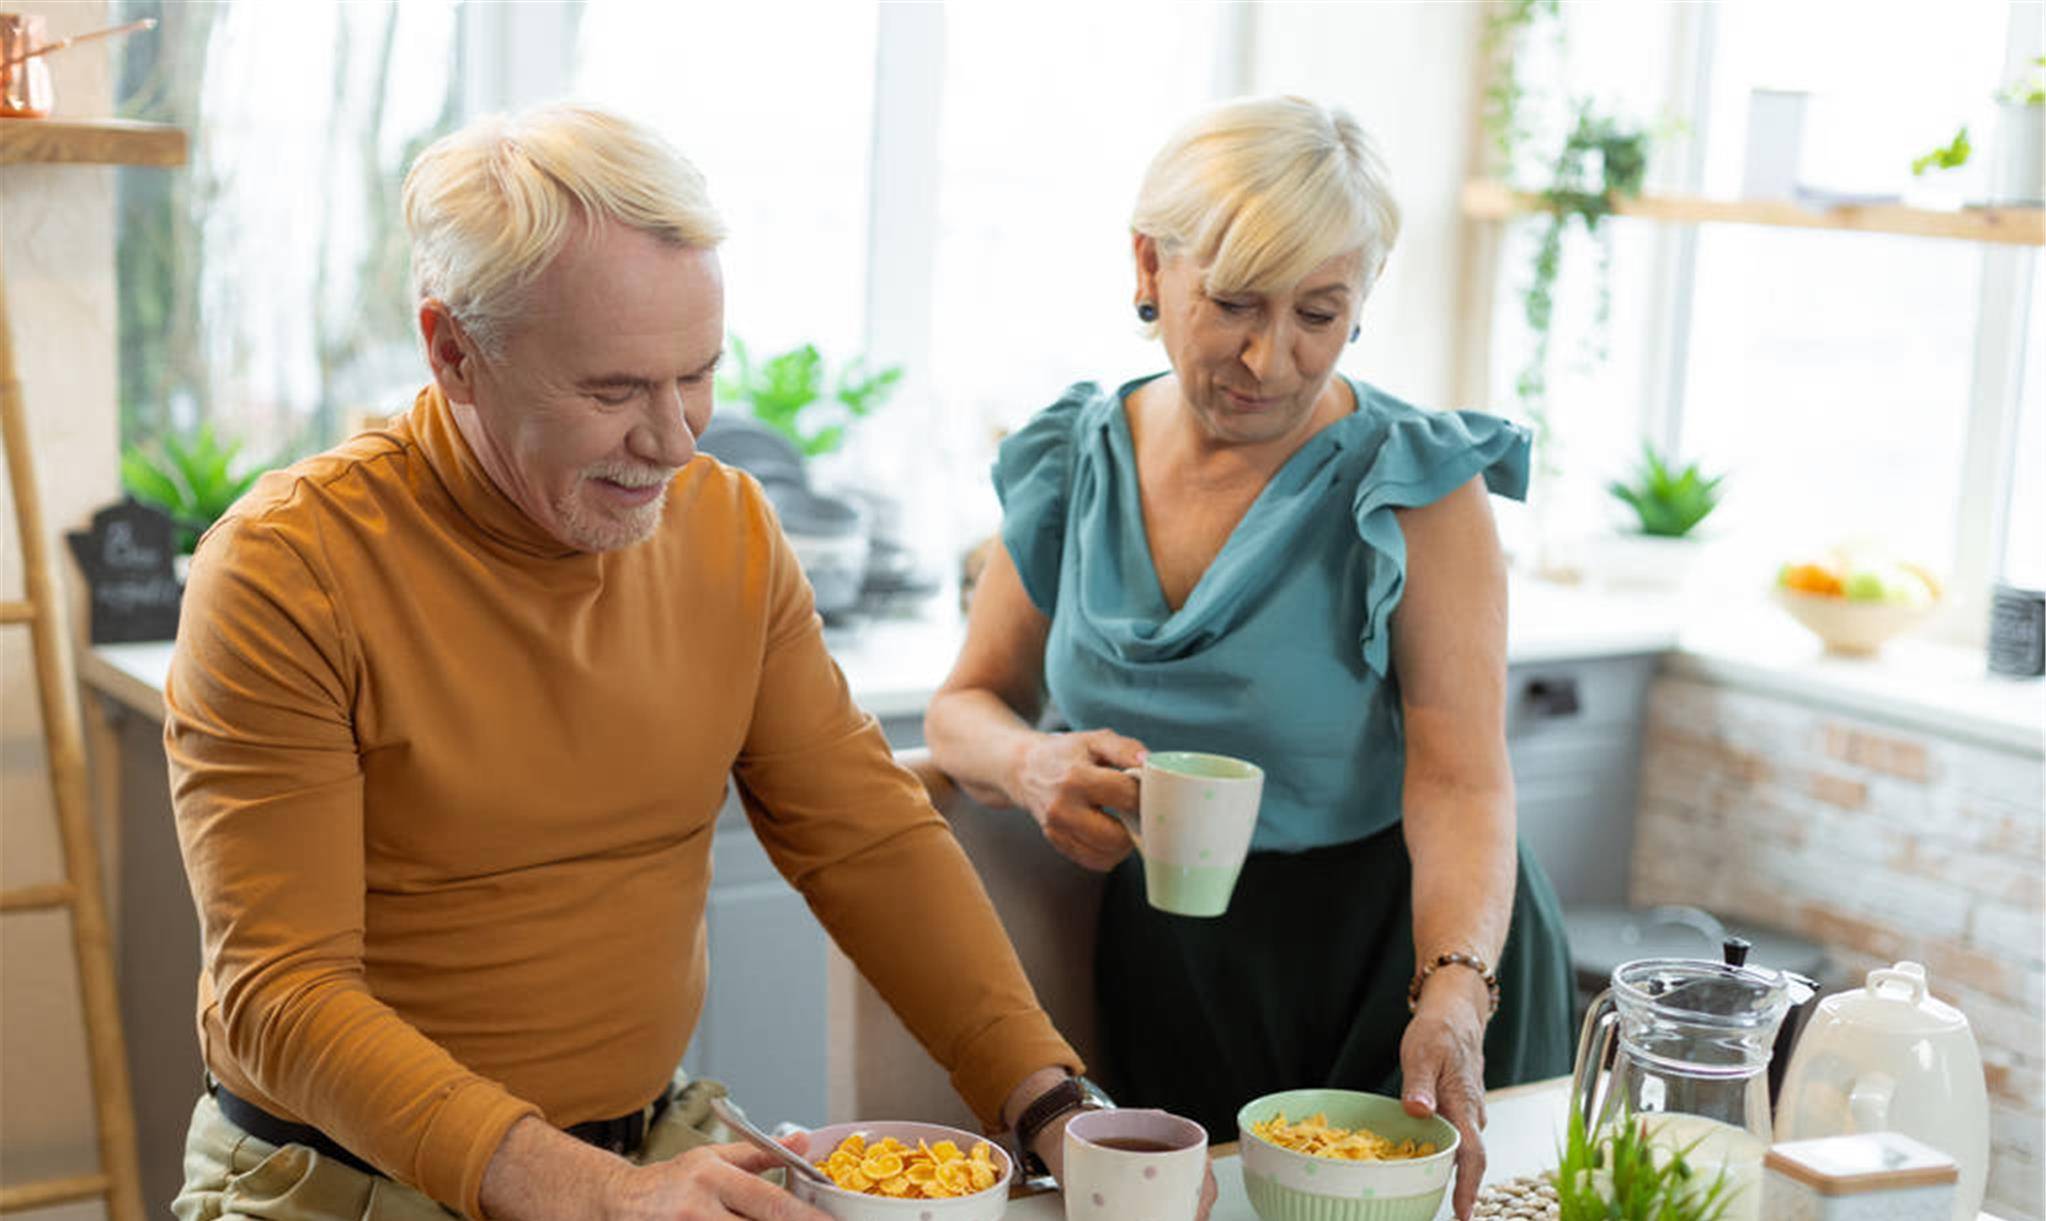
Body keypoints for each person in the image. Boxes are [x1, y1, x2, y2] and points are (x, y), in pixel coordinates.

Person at [163, 103, 1160, 1221]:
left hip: (637, 1154)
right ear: (455, 352)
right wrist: (590, 1193)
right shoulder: (287, 570)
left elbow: (866, 838)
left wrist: (1047, 1102)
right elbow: (277, 997)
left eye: (697, 374)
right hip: (343, 1179)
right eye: (613, 391)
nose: (677, 439)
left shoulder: (726, 525)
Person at [922, 95, 1576, 1220]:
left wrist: (1455, 996)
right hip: (1178, 965)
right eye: (1234, 305)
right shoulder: (1075, 460)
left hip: (1406, 957)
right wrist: (1030, 766)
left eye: (1321, 313)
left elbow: (1463, 776)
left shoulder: (1419, 485)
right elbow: (963, 707)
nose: (1272, 359)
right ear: (1148, 264)